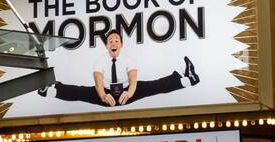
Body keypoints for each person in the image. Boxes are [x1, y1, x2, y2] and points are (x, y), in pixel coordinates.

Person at [39, 29, 199, 107]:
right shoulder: (101, 60)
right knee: (81, 92)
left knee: (153, 86)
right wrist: (102, 95)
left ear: (120, 44)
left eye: (116, 40)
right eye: (110, 40)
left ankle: (186, 79)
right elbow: (98, 78)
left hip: (126, 91)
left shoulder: (128, 60)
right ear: (107, 45)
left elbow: (133, 78)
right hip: (106, 93)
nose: (113, 42)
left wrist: (129, 92)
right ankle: (51, 90)